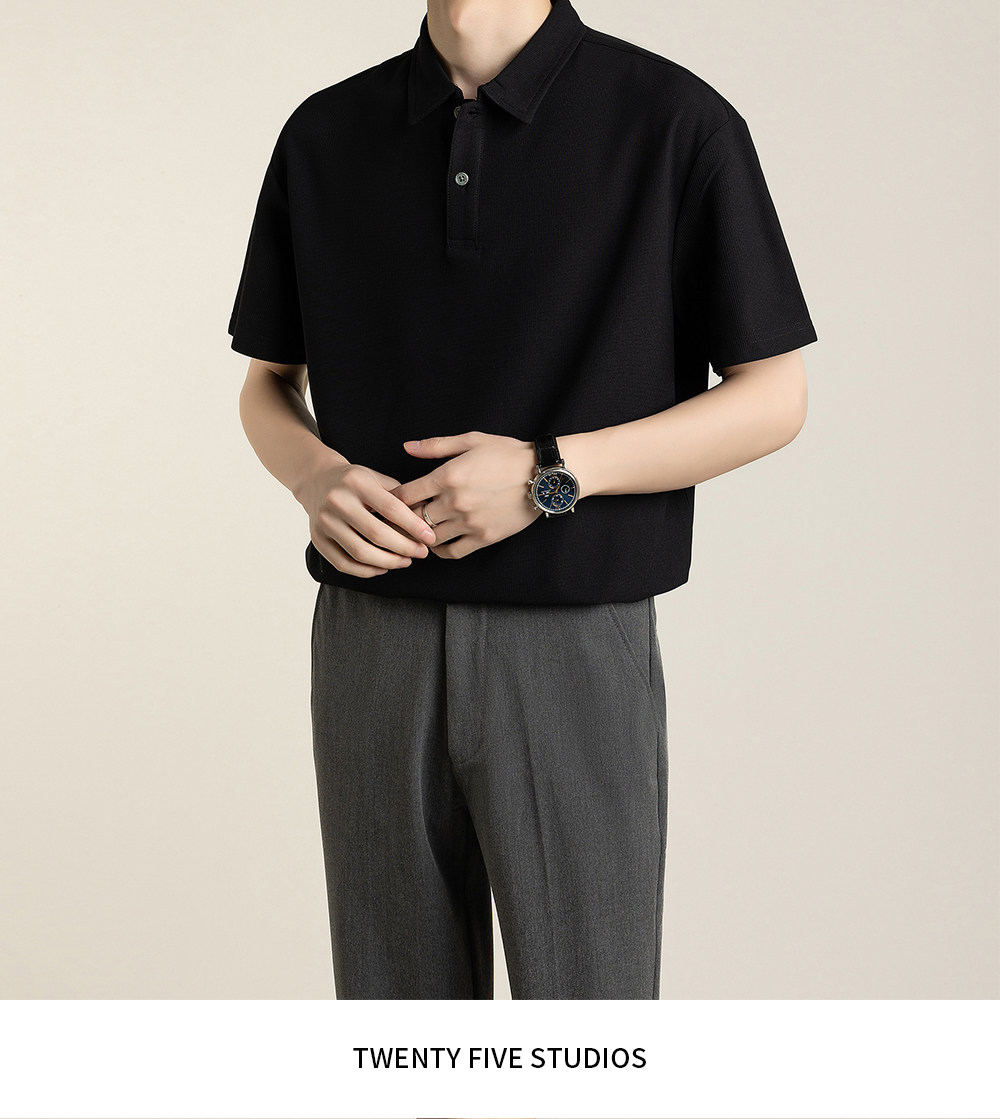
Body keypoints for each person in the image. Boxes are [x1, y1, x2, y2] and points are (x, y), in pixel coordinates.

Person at [229, 0, 817, 999]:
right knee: (393, 1034)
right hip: (370, 636)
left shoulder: (672, 120)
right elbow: (267, 384)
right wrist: (313, 476)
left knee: (588, 1025)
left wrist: (551, 474)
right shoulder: (326, 132)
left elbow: (775, 396)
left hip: (573, 637)